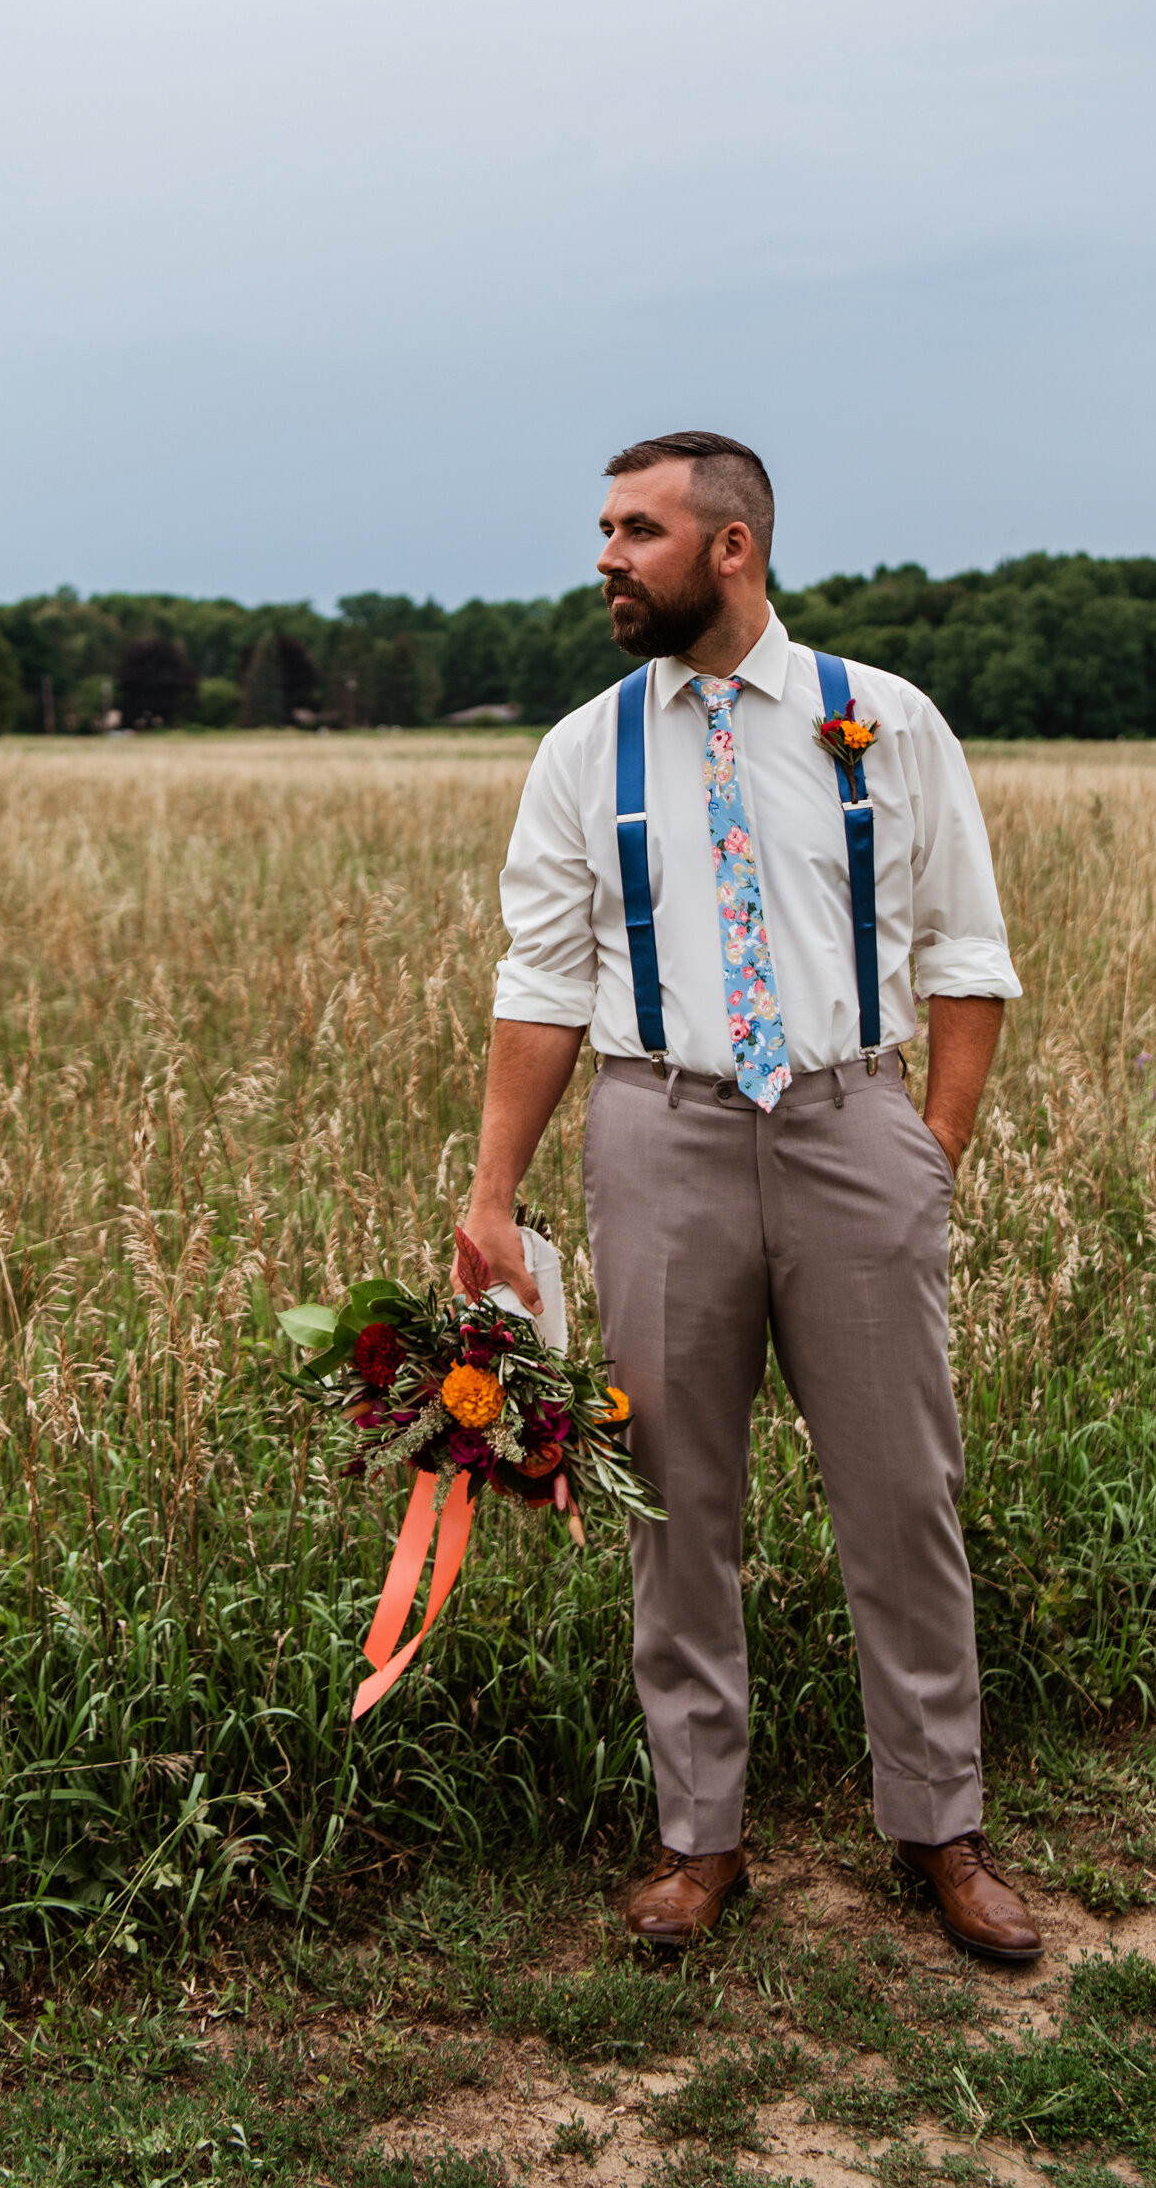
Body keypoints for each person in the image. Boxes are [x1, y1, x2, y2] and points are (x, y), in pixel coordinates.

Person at [457, 430, 1041, 1962]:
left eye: (634, 530)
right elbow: (541, 982)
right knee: (674, 1502)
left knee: (902, 1497)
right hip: (660, 1136)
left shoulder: (883, 720)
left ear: (729, 548)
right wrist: (492, 1191)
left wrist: (927, 1151)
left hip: (854, 1130)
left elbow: (966, 955)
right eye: (601, 527)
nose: (604, 557)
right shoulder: (585, 749)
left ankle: (939, 1825)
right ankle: (697, 1836)